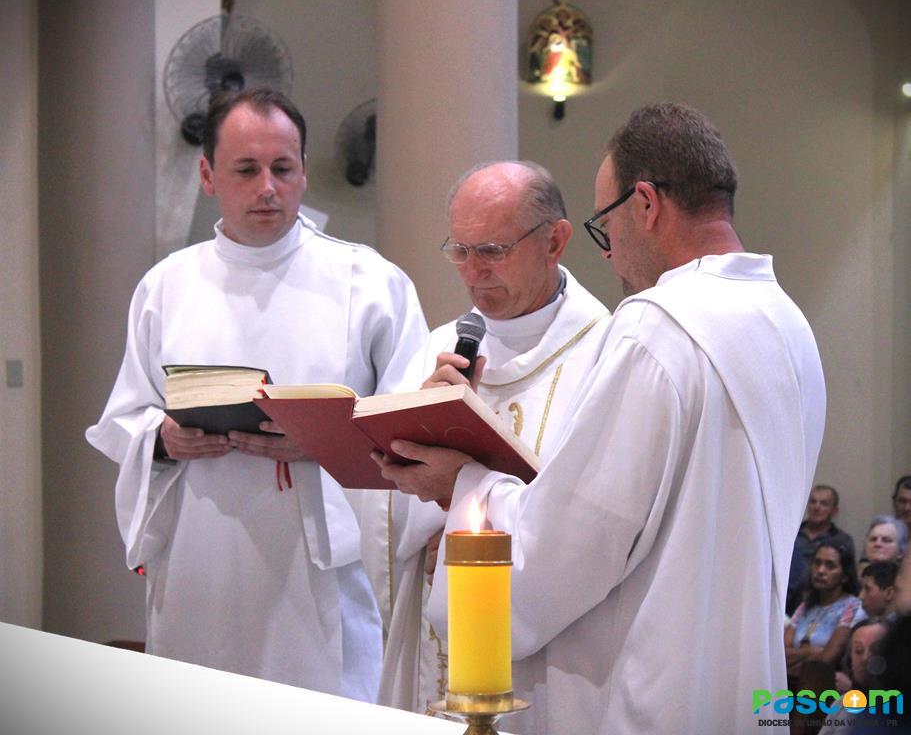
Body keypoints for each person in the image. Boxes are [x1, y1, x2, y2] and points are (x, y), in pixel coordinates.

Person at [375, 103, 827, 733]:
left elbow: (559, 552)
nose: (608, 252)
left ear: (645, 204)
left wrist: (463, 486)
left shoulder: (658, 329)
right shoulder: (787, 325)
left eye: (604, 225)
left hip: (648, 693)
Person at [86, 88, 428, 699]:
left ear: (301, 171)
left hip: (318, 569)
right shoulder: (166, 286)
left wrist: (324, 439)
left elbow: (411, 421)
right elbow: (124, 419)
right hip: (201, 563)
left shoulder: (370, 282)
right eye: (246, 169)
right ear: (208, 174)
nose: (267, 187)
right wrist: (163, 439)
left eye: (283, 168)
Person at [362, 160, 611, 713]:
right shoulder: (439, 348)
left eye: (493, 251)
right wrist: (414, 433)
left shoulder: (607, 354)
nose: (473, 273)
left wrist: (462, 518)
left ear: (556, 241)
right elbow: (383, 526)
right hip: (436, 637)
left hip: (548, 655)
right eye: (460, 250)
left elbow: (593, 520)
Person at [785, 542, 864, 679]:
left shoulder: (852, 607)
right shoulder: (805, 606)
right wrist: (810, 652)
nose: (820, 571)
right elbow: (780, 655)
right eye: (817, 563)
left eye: (830, 565)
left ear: (845, 576)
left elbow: (827, 659)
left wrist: (797, 656)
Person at [787, 484, 855, 614]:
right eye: (813, 502)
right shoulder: (791, 535)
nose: (816, 507)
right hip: (786, 602)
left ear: (834, 511)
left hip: (823, 606)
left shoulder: (843, 540)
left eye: (823, 504)